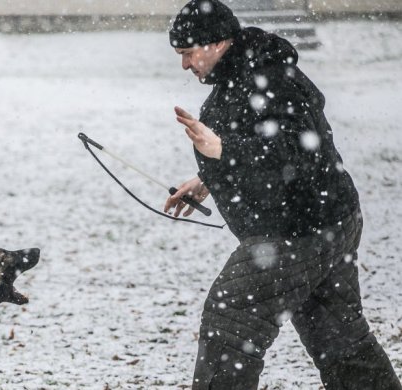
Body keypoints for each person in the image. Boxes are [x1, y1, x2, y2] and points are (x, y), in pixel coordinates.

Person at [163, 1, 402, 388]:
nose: (185, 65)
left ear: (217, 42)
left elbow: (297, 150)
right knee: (341, 340)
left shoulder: (270, 78)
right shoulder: (243, 74)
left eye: (188, 53)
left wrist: (225, 151)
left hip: (295, 232)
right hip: (327, 222)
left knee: (230, 327)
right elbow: (265, 145)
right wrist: (208, 175)